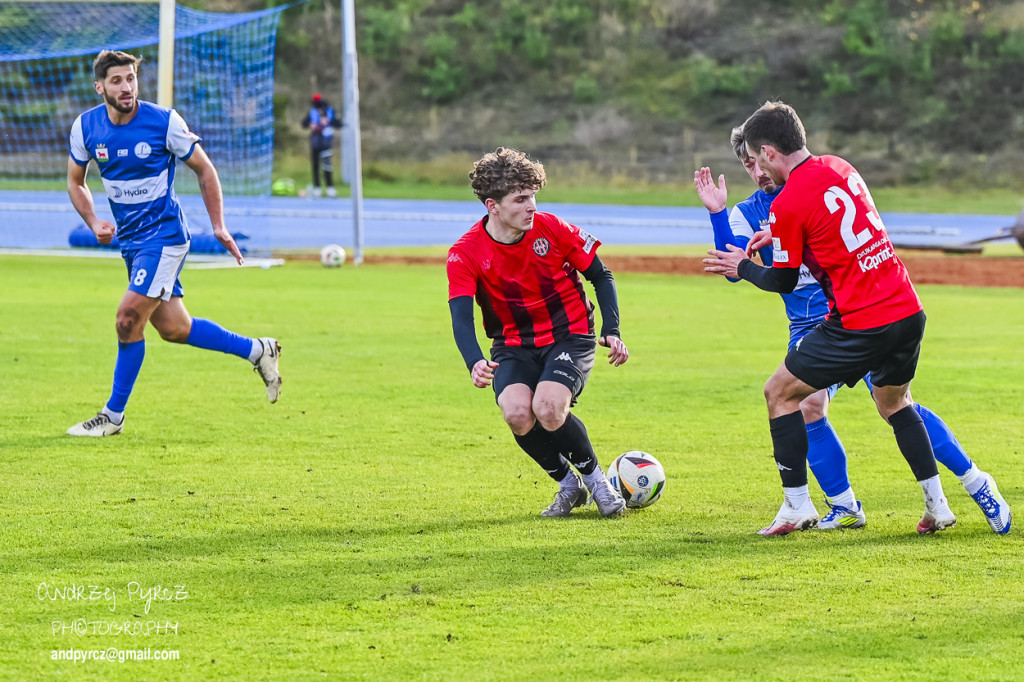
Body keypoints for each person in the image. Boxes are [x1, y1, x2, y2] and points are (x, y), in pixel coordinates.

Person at [703, 100, 1011, 535]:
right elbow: (833, 225)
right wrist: (749, 224)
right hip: (898, 304)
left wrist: (751, 263)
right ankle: (889, 504)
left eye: (757, 161)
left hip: (852, 316)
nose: (755, 173)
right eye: (746, 165)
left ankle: (799, 504)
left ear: (770, 153)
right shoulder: (839, 167)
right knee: (882, 404)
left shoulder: (789, 201)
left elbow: (782, 277)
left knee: (783, 394)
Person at [65, 50, 282, 437]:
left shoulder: (164, 121)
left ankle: (112, 416)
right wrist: (94, 220)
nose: (127, 87)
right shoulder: (85, 128)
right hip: (132, 242)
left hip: (164, 236)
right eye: (116, 81)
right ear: (100, 87)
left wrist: (218, 226)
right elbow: (76, 181)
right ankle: (258, 350)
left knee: (127, 318)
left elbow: (205, 169)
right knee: (174, 328)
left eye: (130, 78)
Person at [447, 147, 629, 518]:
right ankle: (568, 485)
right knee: (516, 412)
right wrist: (474, 361)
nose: (532, 206)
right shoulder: (465, 253)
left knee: (547, 407)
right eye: (521, 199)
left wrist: (612, 329)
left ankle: (598, 482)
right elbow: (462, 318)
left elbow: (600, 275)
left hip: (570, 333)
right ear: (492, 206)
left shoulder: (552, 227)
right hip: (512, 344)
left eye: (533, 196)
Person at [301, 93, 341, 198]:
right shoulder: (312, 112)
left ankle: (330, 188)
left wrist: (328, 122)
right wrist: (311, 125)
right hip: (315, 143)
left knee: (327, 166)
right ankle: (317, 187)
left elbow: (338, 124)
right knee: (315, 166)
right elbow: (304, 124)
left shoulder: (329, 111)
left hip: (326, 143)